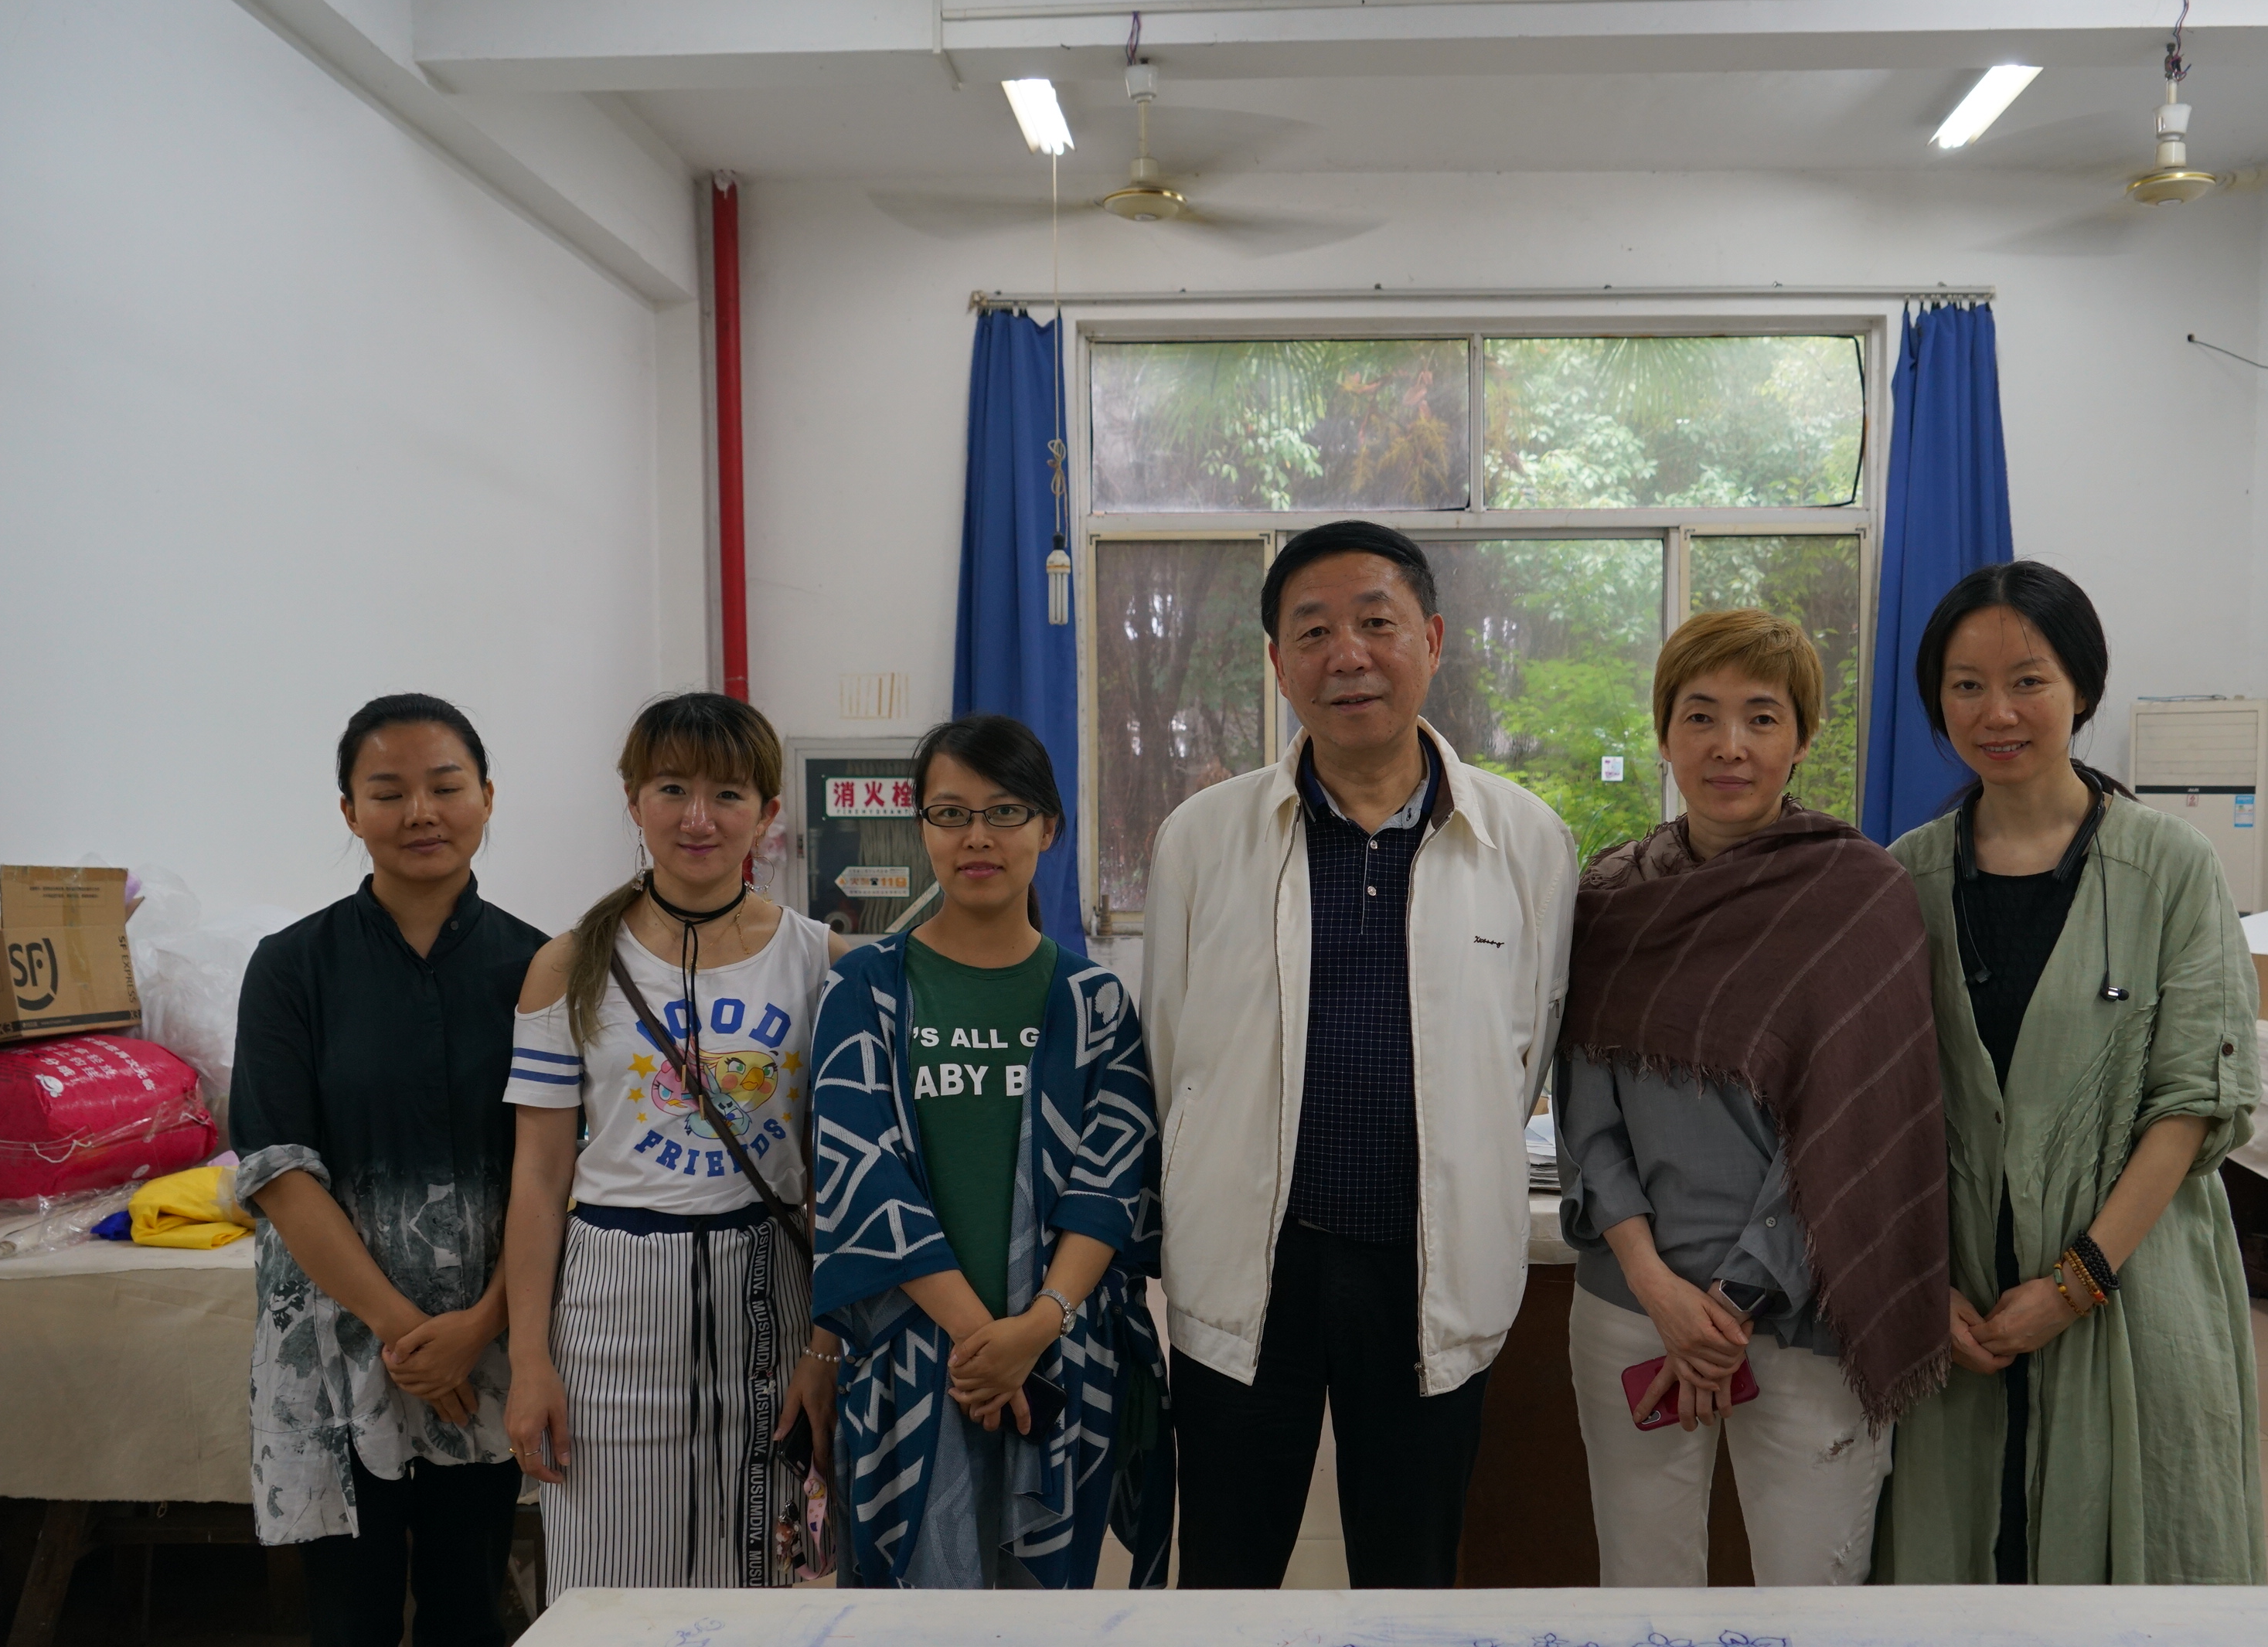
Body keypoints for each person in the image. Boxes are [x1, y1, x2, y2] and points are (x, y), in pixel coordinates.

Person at [1144, 519, 1577, 1590]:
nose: (1348, 655)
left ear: (1431, 639)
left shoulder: (1524, 839)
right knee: (1227, 1572)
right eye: (1314, 632)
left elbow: (1526, 1050)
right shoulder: (1203, 837)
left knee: (1411, 1579)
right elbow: (1170, 1048)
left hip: (1428, 1263)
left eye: (1377, 623)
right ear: (1278, 661)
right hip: (1253, 1266)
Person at [1873, 562, 2266, 1584]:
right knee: (1959, 1578)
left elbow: (2193, 1102)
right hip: (1959, 1305)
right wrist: (1922, 1289)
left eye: (2028, 681)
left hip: (2128, 1287)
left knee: (2130, 1585)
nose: (1997, 713)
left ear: (2082, 688)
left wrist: (2077, 1280)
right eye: (1966, 686)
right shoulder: (1903, 878)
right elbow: (1880, 1111)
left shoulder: (2171, 868)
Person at [1557, 611, 1950, 1587]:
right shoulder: (1611, 896)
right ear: (1664, 733)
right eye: (1700, 716)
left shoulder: (1860, 897)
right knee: (1642, 1594)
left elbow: (1857, 1125)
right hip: (1631, 1308)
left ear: (1803, 738)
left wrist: (1727, 1304)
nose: (1729, 745)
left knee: (1809, 1603)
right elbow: (1586, 1112)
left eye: (1761, 717)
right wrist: (1657, 1288)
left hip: (1804, 1316)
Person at [233, 693, 542, 1647]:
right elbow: (278, 1172)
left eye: (445, 785)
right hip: (340, 1353)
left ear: (487, 798)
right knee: (354, 1631)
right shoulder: (292, 966)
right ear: (349, 811)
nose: (421, 811)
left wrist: (481, 1325)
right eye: (389, 791)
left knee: (469, 1613)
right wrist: (409, 1332)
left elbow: (553, 1173)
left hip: (485, 1350)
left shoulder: (539, 966)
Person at [808, 714, 1172, 1588]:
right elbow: (862, 1178)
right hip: (911, 1359)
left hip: (1062, 1359)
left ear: (1049, 827)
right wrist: (989, 1345)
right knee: (910, 1633)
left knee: (1048, 1626)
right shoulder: (865, 988)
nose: (978, 836)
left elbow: (1110, 1185)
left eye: (1005, 811)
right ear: (922, 827)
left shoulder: (1094, 1003)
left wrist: (1036, 1328)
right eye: (951, 813)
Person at [498, 692, 839, 1594]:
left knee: (761, 1580)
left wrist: (825, 1346)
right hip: (613, 1305)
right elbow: (538, 1177)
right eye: (672, 788)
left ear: (768, 812)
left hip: (769, 1296)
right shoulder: (568, 964)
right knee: (609, 1586)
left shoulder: (820, 961)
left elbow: (835, 1180)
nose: (698, 818)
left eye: (728, 794)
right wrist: (529, 1361)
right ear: (634, 800)